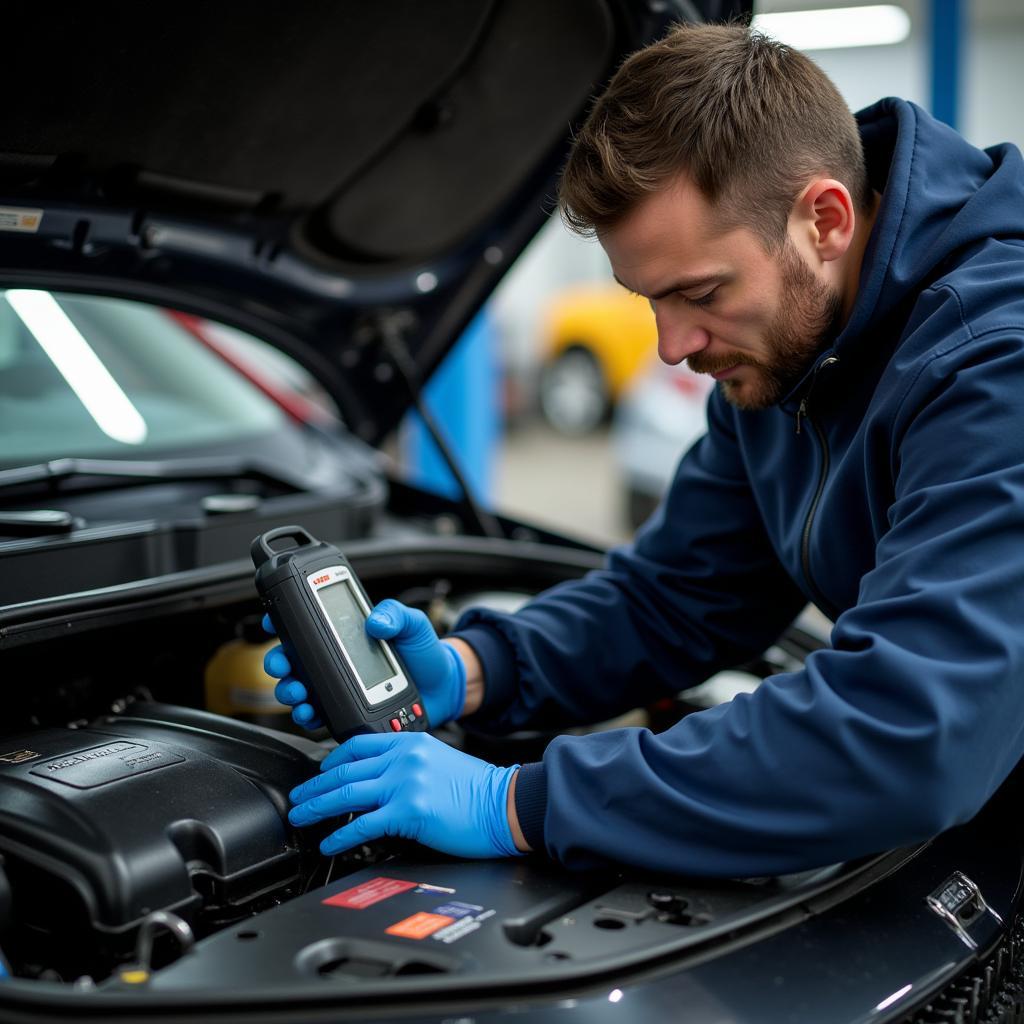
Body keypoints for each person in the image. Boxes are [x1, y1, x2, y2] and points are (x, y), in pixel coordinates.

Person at [268, 23, 1024, 876]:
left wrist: (514, 804)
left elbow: (915, 735)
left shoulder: (999, 360)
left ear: (826, 219)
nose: (673, 345)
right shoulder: (785, 349)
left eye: (700, 292)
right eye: (649, 301)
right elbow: (684, 593)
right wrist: (476, 667)